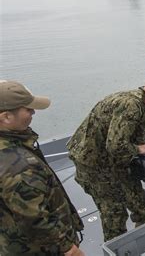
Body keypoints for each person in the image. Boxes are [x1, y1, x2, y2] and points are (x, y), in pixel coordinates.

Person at [67, 72, 145, 241]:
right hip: (93, 162)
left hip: (114, 157)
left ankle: (143, 224)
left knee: (135, 193)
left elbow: (137, 136)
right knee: (114, 210)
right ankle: (117, 245)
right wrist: (140, 149)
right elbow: (115, 145)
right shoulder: (131, 105)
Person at [0, 80, 85, 256]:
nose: (33, 112)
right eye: (27, 109)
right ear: (6, 117)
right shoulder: (18, 164)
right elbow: (34, 219)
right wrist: (68, 248)